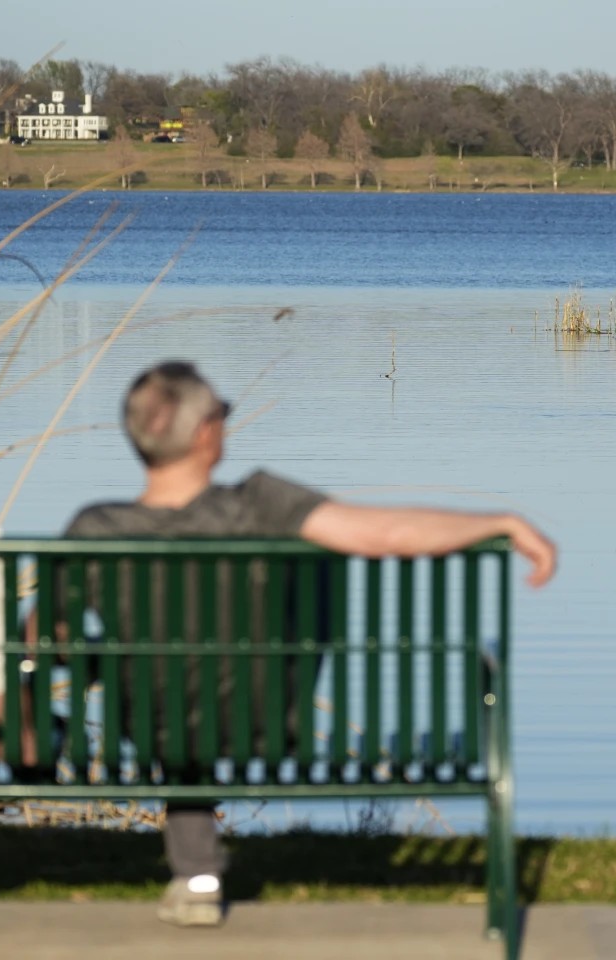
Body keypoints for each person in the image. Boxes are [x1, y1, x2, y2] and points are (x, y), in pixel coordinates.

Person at [64, 360, 557, 928]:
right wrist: (501, 522)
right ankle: (195, 872)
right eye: (222, 413)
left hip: (152, 730)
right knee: (250, 642)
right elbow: (385, 535)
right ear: (204, 434)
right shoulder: (260, 503)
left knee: (173, 688)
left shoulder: (92, 527)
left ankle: (196, 875)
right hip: (267, 726)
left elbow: (46, 634)